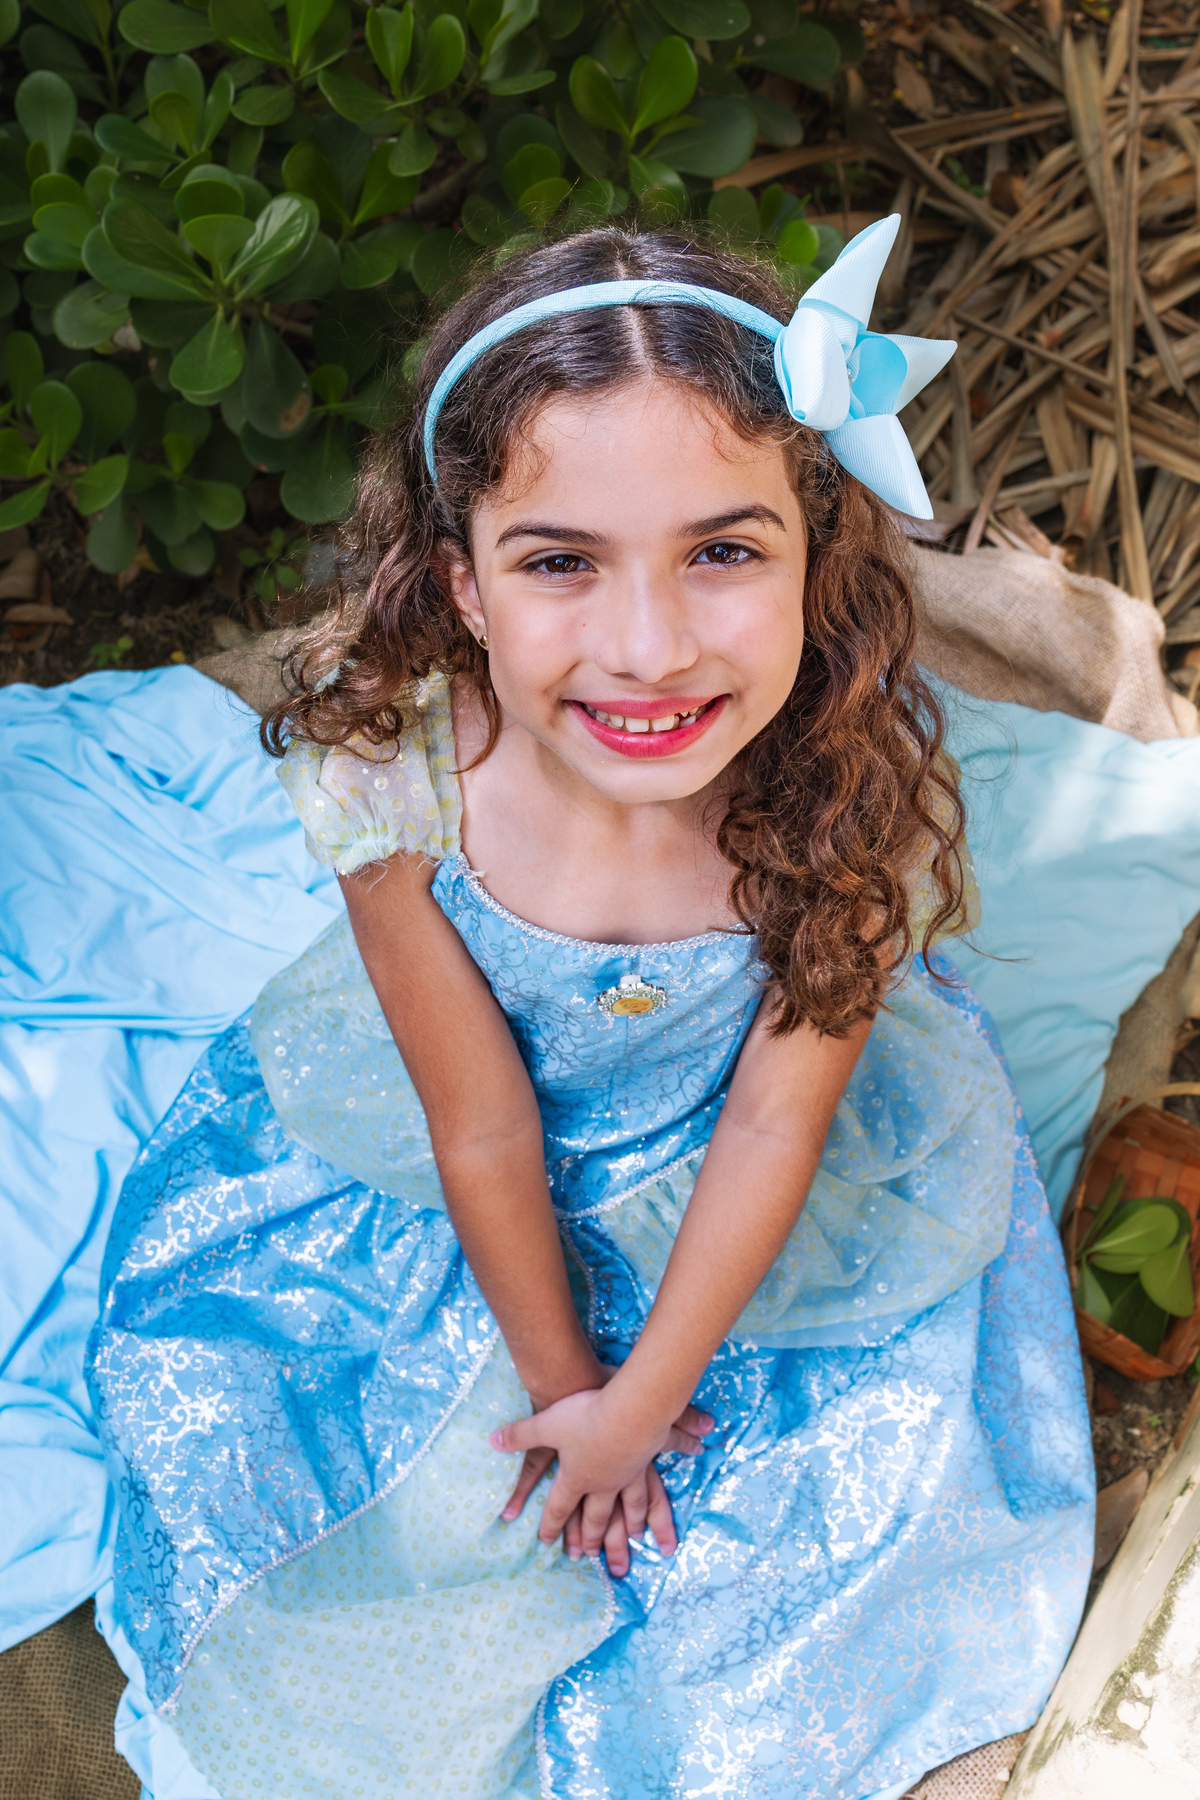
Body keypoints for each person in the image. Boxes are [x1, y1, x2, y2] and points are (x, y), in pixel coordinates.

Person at [86, 219, 1094, 1800]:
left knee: (828, 1546)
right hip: (470, 1190)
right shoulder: (396, 768)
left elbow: (774, 1121)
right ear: (463, 584)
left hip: (756, 1190)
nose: (649, 647)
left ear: (817, 551)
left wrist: (645, 1403)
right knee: (368, 1514)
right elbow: (479, 1121)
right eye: (561, 560)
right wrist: (568, 1393)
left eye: (724, 552)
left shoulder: (842, 785)